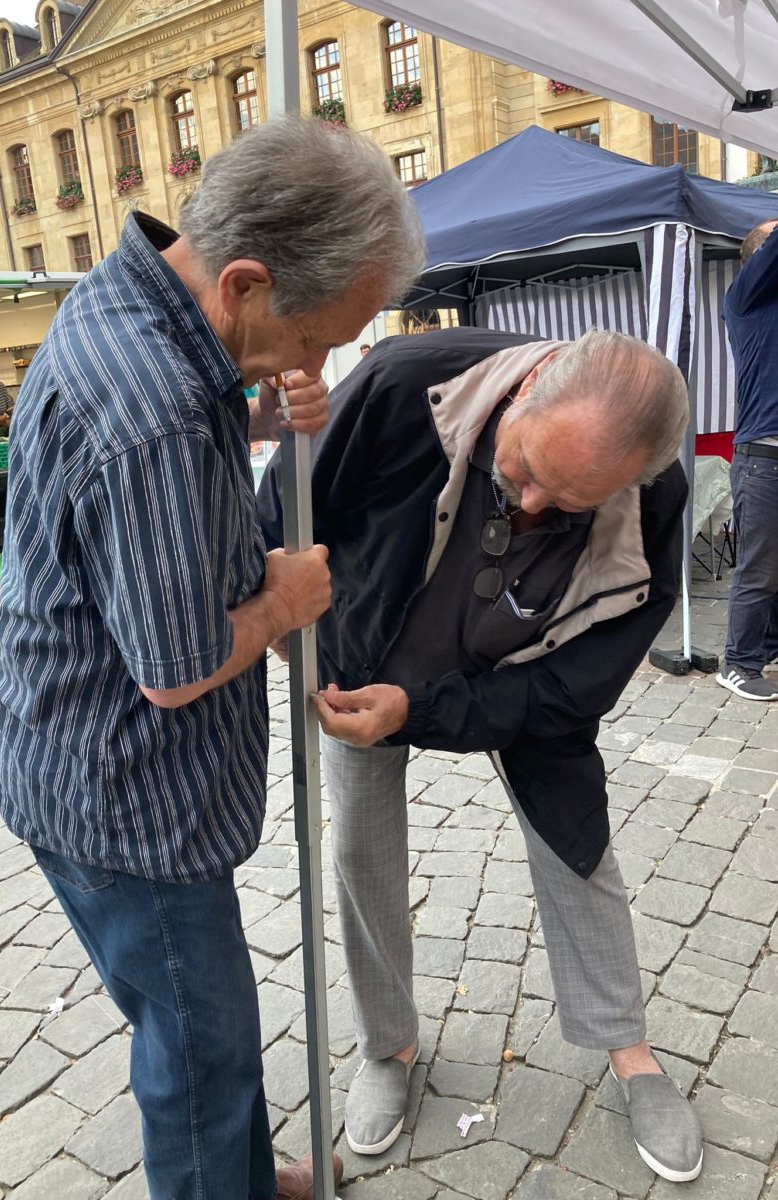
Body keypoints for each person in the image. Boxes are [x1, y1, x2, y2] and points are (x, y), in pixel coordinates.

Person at [0, 115, 424, 1200]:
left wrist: (269, 400)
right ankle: (212, 1175)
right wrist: (284, 597)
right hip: (125, 798)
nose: (319, 363)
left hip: (90, 761)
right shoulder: (154, 412)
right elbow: (175, 665)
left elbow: (167, 480)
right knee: (199, 1048)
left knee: (203, 1026)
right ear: (243, 282)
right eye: (318, 335)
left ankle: (231, 1171)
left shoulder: (149, 299)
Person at [258, 327, 704, 1185]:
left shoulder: (654, 496)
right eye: (525, 468)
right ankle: (388, 1044)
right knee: (360, 849)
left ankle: (629, 1050)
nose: (531, 503)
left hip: (524, 686)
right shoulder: (402, 386)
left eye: (567, 503)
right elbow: (283, 517)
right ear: (528, 387)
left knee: (581, 853)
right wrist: (297, 651)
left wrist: (429, 707)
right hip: (366, 660)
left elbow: (579, 685)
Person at [716, 217, 778, 701]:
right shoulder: (745, 298)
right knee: (757, 569)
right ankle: (738, 663)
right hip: (763, 457)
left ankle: (770, 647)